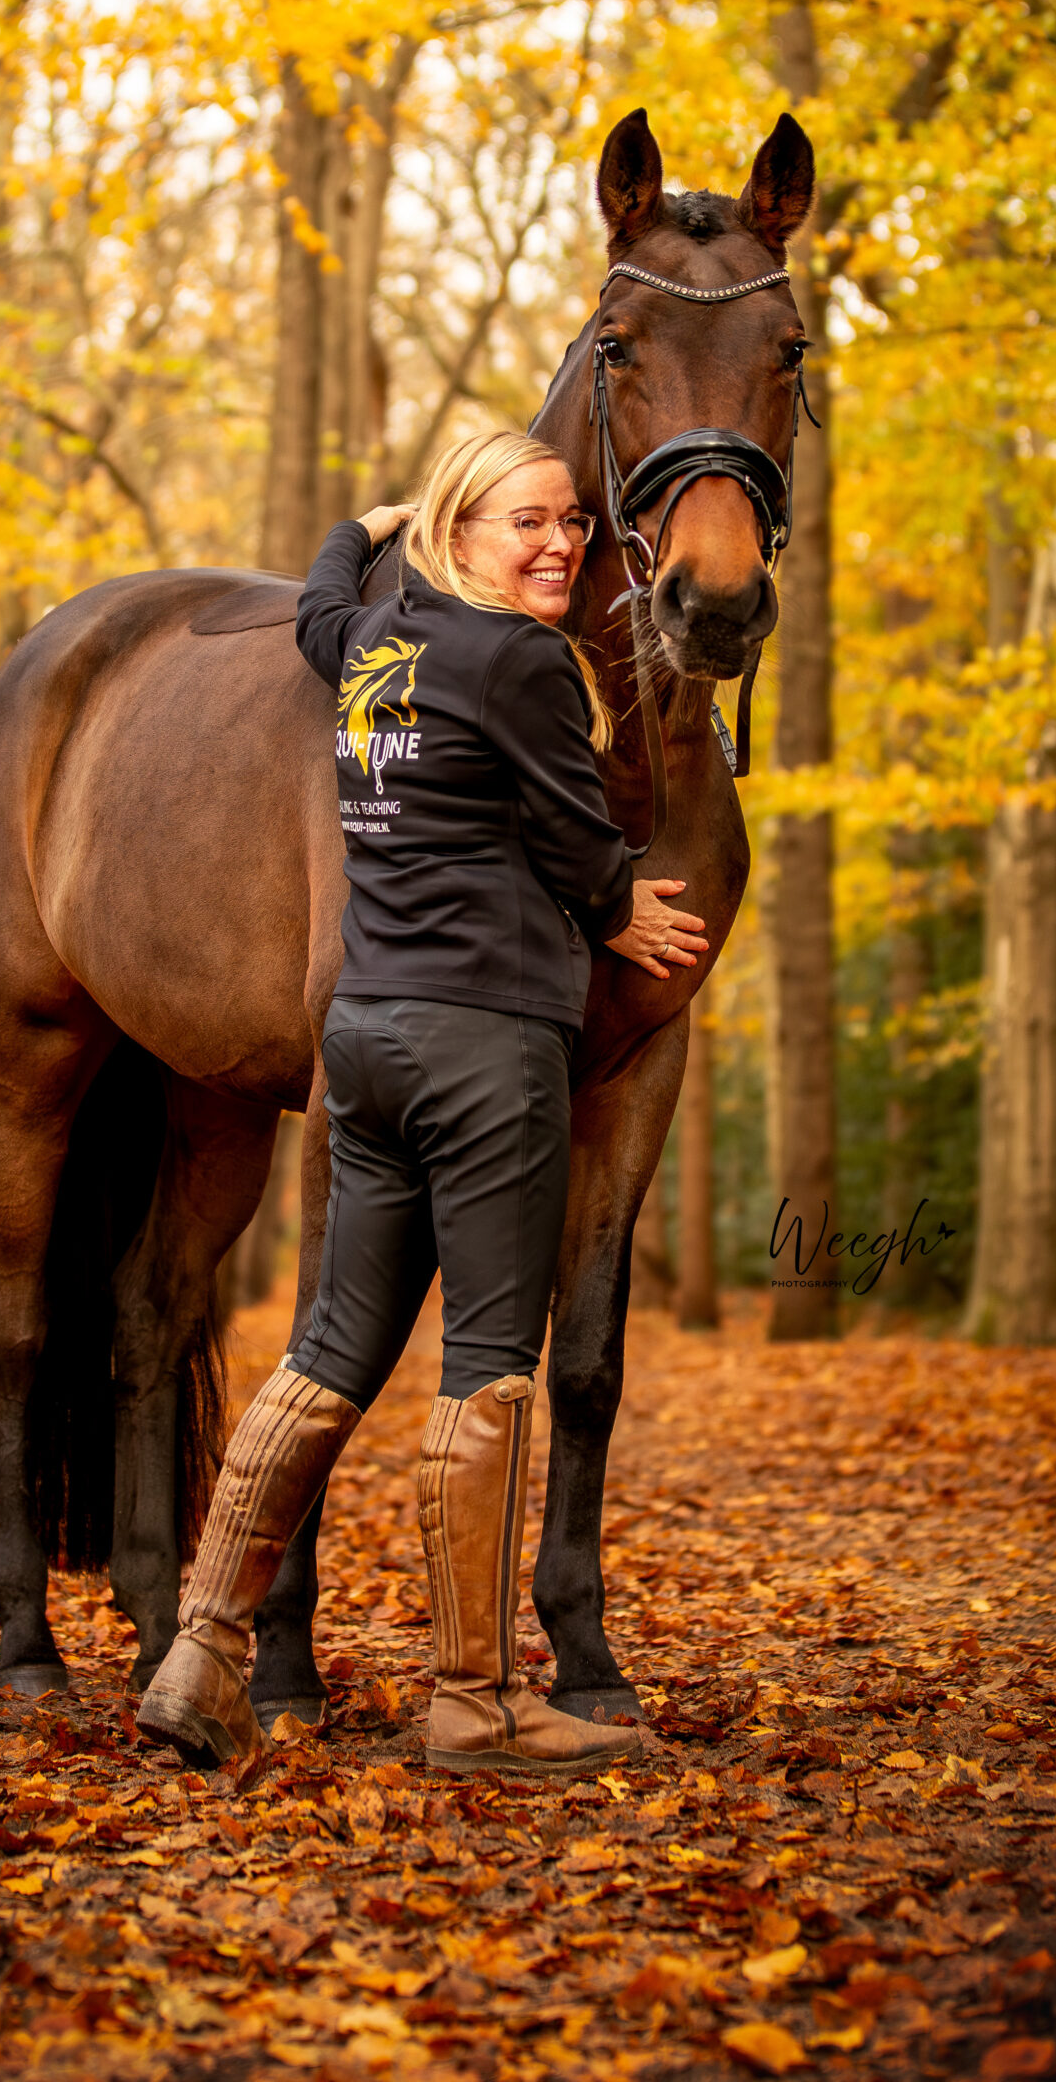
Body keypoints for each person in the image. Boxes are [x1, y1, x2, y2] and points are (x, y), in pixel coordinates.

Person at [137, 430, 707, 1777]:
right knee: (492, 1366)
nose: (560, 544)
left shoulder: (373, 645)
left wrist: (364, 524)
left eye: (571, 521)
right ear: (460, 536)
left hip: (370, 1042)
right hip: (486, 1049)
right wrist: (618, 907)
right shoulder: (524, 662)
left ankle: (198, 1657)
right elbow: (574, 832)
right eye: (526, 522)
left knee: (327, 1353)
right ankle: (476, 1702)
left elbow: (319, 606)